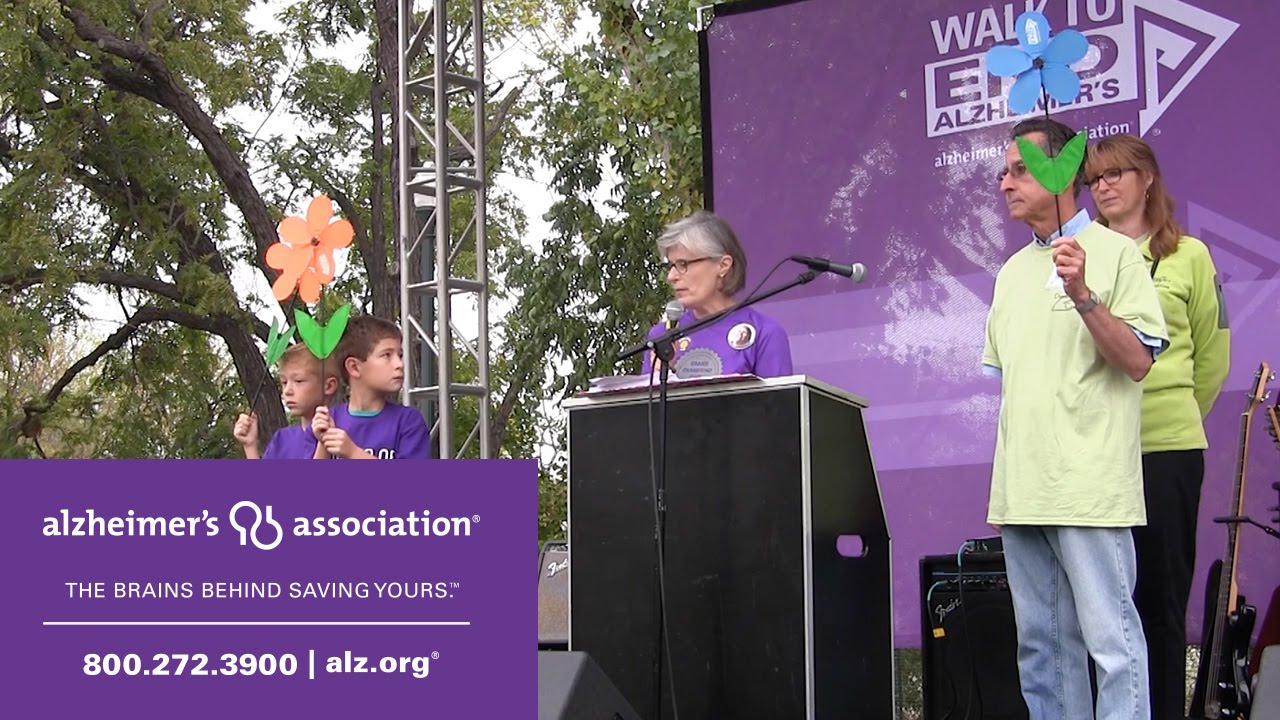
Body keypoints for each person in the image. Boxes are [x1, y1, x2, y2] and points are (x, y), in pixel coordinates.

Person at [982, 117, 1169, 720]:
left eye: (1019, 169)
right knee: (1041, 651)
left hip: (1089, 490)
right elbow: (1018, 383)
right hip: (1021, 490)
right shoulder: (1009, 275)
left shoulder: (1118, 254)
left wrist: (1085, 294)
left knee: (1112, 646)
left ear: (1063, 172)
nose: (1005, 182)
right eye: (1004, 171)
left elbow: (1138, 361)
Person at [1085, 133, 1231, 720]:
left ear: (1148, 179)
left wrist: (1172, 414)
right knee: (1103, 609)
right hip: (1095, 452)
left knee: (1162, 603)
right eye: (1095, 179)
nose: (1105, 185)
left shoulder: (1189, 255)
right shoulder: (1080, 259)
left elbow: (1213, 352)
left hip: (1166, 447)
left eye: (1117, 172)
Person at [641, 210, 792, 378]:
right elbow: (645, 403)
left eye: (683, 264)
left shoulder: (764, 332)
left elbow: (780, 403)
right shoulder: (662, 336)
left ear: (723, 265)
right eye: (670, 266)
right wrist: (660, 374)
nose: (671, 277)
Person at [312, 315, 430, 459]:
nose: (400, 364)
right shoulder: (328, 420)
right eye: (387, 355)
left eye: (400, 355)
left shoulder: (408, 421)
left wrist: (353, 453)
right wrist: (323, 443)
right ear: (354, 367)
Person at [233, 343, 338, 459]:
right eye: (284, 382)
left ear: (328, 386)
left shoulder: (344, 434)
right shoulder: (281, 440)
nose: (287, 391)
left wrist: (324, 444)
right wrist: (250, 445)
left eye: (298, 381)